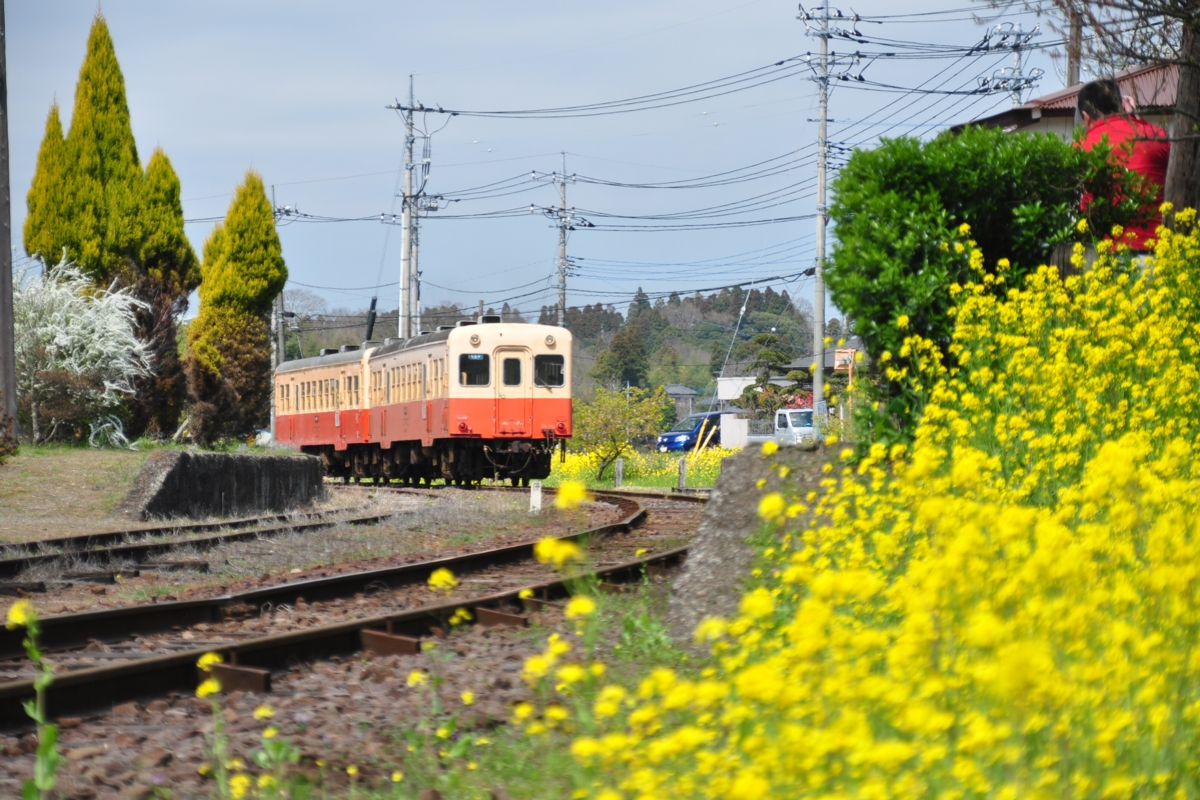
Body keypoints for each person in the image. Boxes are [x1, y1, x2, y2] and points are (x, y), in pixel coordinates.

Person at [1077, 78, 1171, 252]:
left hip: (1106, 251)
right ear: (1121, 104)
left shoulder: (1082, 147)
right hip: (1160, 251)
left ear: (1085, 116)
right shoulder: (1157, 135)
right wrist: (1134, 118)